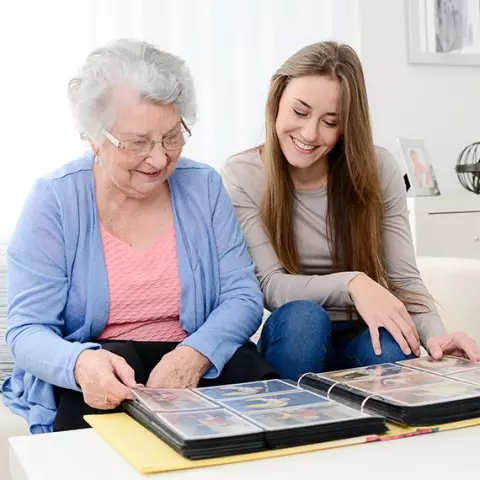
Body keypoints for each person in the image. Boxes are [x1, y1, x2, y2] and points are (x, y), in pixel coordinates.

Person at [2, 39, 276, 434]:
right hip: (104, 374)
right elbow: (27, 331)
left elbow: (242, 296)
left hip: (198, 361)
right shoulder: (55, 199)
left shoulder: (204, 186)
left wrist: (195, 354)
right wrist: (82, 364)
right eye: (137, 142)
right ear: (95, 137)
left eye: (171, 136)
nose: (160, 158)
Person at [222, 41, 480, 381]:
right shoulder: (243, 174)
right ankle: (296, 429)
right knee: (304, 320)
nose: (310, 133)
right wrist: (353, 283)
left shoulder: (379, 168)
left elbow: (403, 279)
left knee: (392, 343)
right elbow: (270, 285)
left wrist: (436, 336)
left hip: (363, 332)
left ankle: (379, 432)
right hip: (295, 335)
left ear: (347, 125)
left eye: (331, 121)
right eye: (300, 112)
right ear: (276, 100)